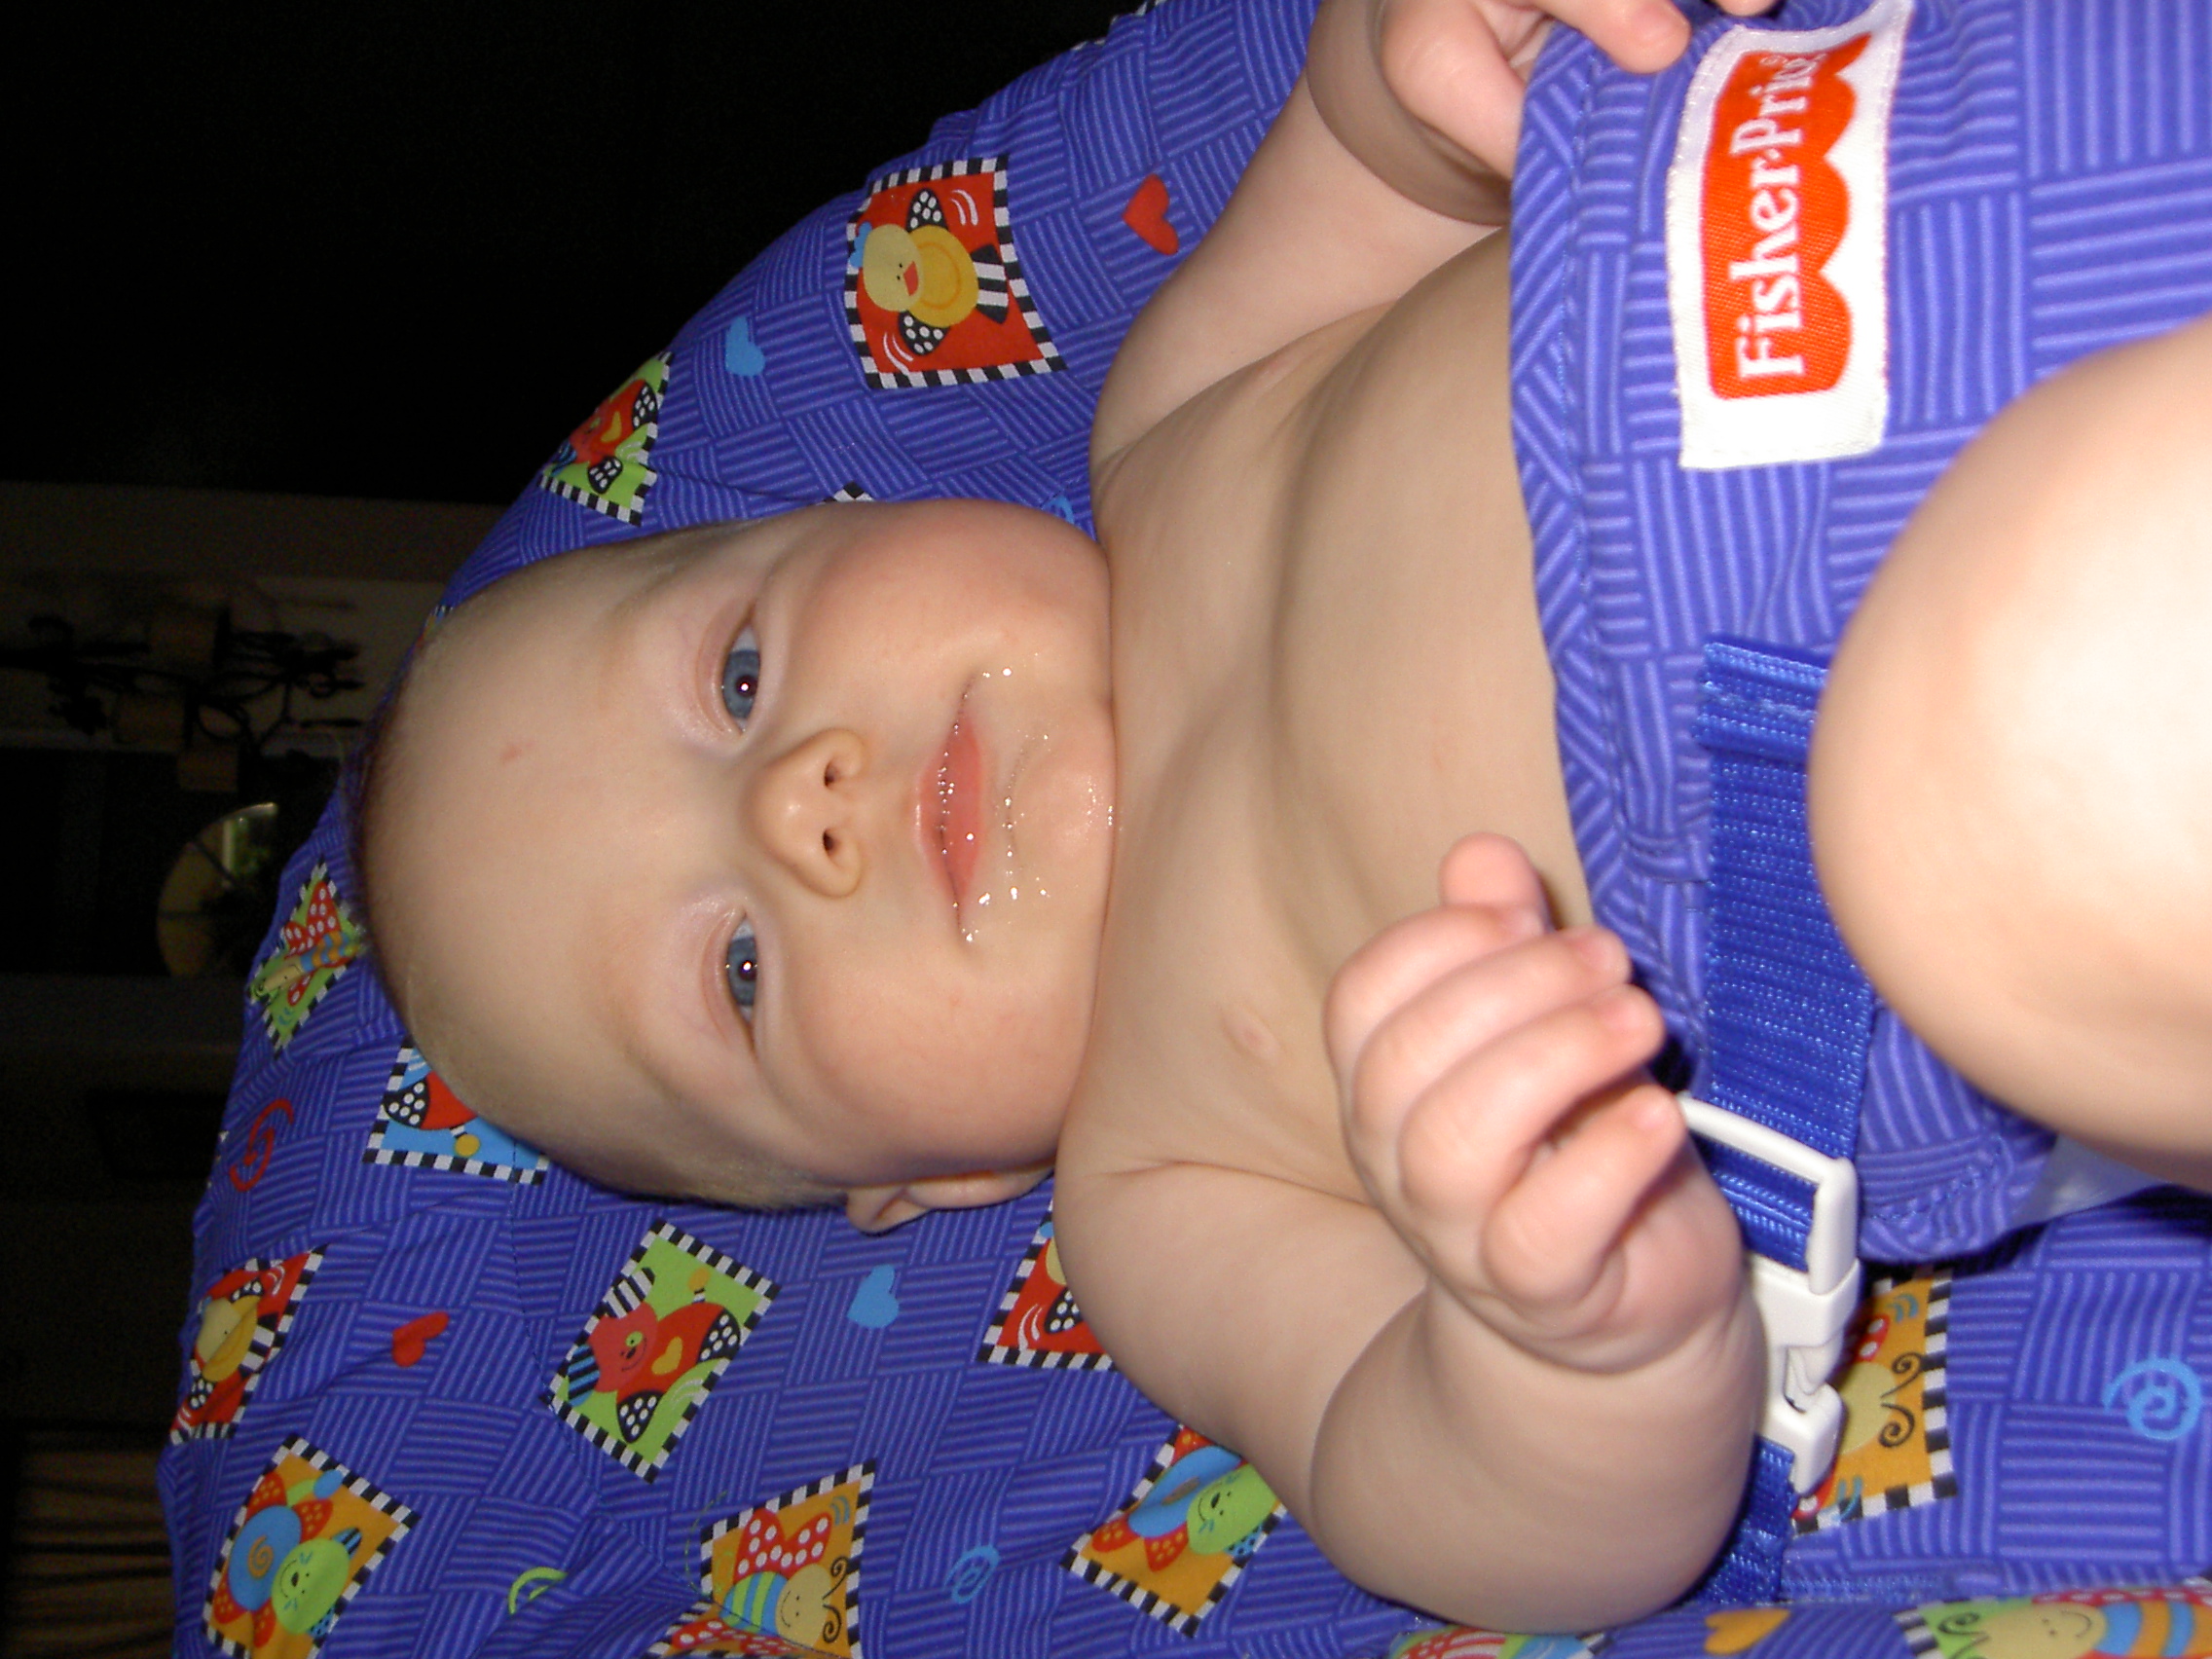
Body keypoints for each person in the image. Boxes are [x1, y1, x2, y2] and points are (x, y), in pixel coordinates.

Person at [353, 0, 2212, 1632]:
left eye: (742, 676)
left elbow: (1375, 136)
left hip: (1966, 142)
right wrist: (1567, 1351)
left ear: (850, 513)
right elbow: (1452, 1510)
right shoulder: (1162, 1188)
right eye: (742, 974)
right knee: (2044, 743)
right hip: (1961, 795)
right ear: (919, 1182)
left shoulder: (1173, 413)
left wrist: (1428, 60)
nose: (798, 810)